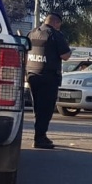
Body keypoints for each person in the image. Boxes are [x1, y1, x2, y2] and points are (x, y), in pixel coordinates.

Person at [26, 13, 71, 149]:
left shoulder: (32, 33)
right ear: (56, 23)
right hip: (48, 78)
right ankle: (40, 138)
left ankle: (38, 135)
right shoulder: (55, 35)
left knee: (37, 108)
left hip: (32, 75)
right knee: (46, 109)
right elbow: (65, 56)